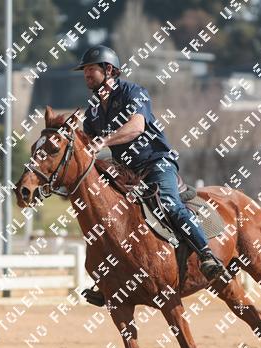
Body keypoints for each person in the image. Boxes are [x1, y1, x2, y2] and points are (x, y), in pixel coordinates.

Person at [74, 45, 226, 281]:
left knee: (169, 204)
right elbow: (87, 146)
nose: (86, 74)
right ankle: (110, 280)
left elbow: (136, 127)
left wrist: (103, 141)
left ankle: (207, 254)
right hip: (126, 171)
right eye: (84, 70)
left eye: (91, 69)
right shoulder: (93, 109)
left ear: (109, 70)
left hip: (156, 163)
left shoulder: (133, 92)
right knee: (110, 213)